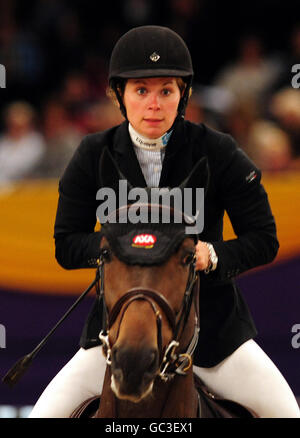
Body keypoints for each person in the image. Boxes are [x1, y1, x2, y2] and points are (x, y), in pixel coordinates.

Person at [29, 26, 300, 418]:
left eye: (166, 91)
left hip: (213, 338)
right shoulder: (92, 154)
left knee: (287, 412)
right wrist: (113, 251)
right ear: (119, 95)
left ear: (183, 95)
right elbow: (66, 245)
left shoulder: (218, 150)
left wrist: (212, 254)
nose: (154, 104)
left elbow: (265, 238)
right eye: (141, 91)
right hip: (117, 341)